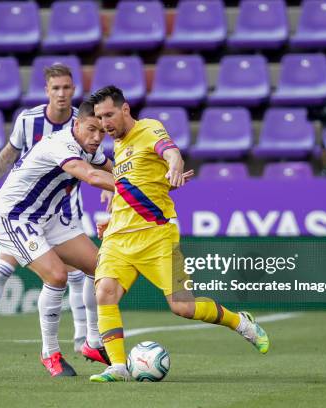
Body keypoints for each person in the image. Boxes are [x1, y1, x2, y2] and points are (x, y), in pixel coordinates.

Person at [87, 86, 270, 383]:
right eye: (99, 117)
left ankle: (241, 323)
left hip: (157, 237)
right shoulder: (118, 146)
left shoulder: (149, 128)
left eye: (109, 114)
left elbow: (171, 153)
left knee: (182, 307)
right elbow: (136, 184)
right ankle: (118, 366)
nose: (104, 122)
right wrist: (113, 218)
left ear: (125, 110)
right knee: (104, 292)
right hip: (119, 237)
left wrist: (174, 167)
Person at [0, 64, 101, 356]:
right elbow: (9, 154)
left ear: (73, 90)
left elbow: (97, 165)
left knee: (79, 272)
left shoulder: (84, 123)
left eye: (67, 87)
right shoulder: (29, 121)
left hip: (63, 209)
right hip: (23, 211)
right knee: (5, 267)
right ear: (47, 91)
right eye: (55, 88)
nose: (61, 94)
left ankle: (83, 338)